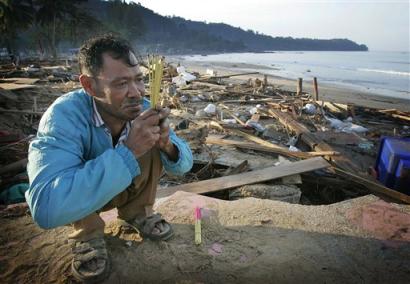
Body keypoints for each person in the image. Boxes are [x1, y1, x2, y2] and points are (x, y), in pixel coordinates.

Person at [25, 34, 193, 282]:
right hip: (85, 201)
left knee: (151, 139)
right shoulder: (63, 117)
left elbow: (185, 165)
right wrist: (129, 151)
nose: (135, 93)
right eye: (121, 84)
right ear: (90, 86)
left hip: (122, 187)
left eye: (139, 80)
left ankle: (138, 212)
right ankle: (87, 233)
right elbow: (46, 209)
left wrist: (167, 146)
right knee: (89, 157)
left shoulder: (143, 108)